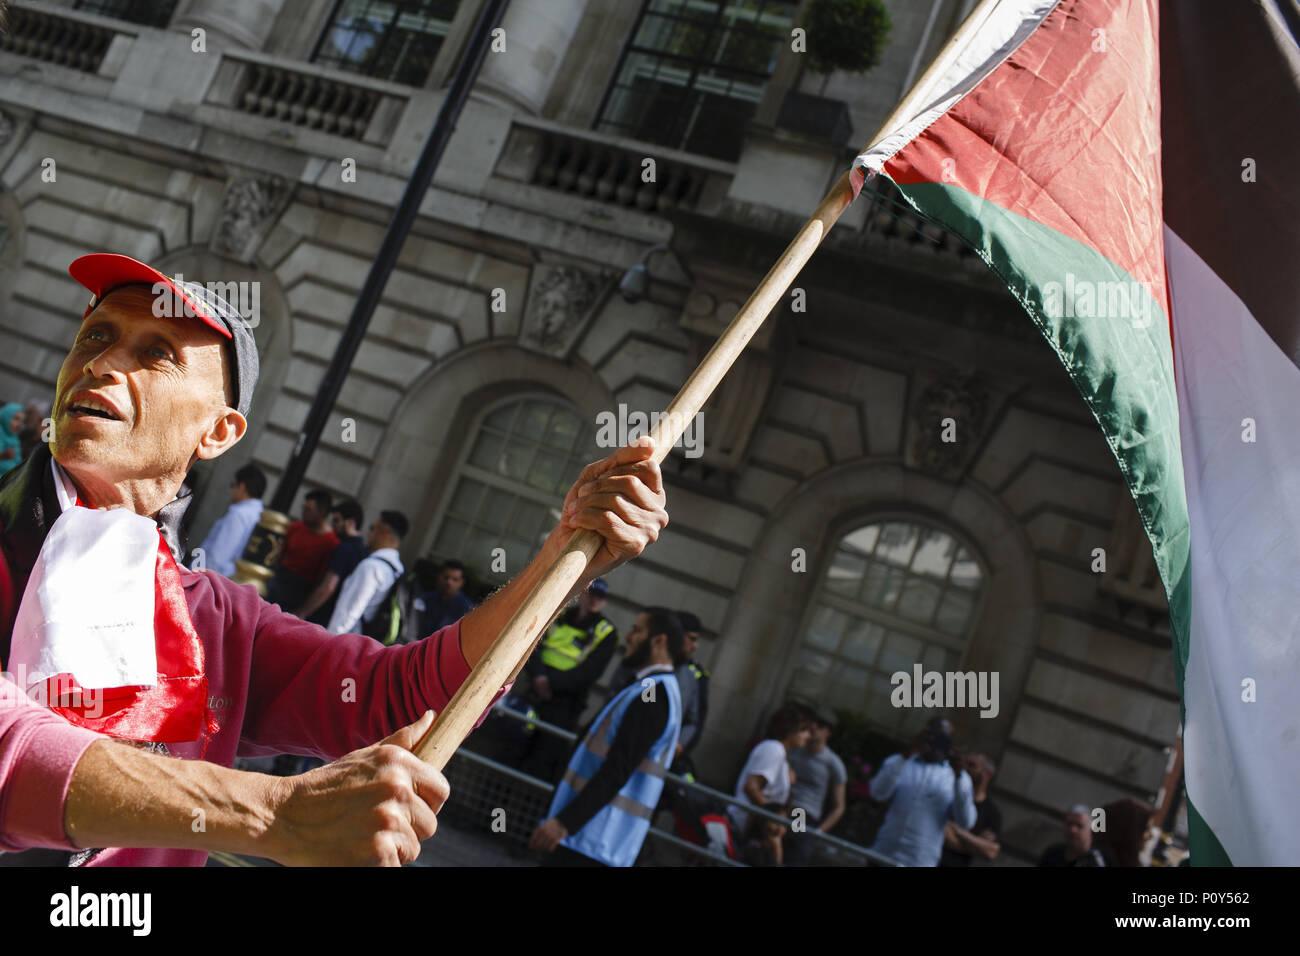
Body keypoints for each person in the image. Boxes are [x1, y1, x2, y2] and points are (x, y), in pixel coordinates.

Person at [0, 252, 669, 867]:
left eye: (157, 352)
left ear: (218, 432)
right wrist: (274, 812)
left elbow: (396, 697)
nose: (103, 363)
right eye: (96, 336)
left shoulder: (219, 622)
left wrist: (563, 560)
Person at [528, 607, 684, 867]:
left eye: (637, 630)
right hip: (592, 840)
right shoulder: (651, 688)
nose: (628, 637)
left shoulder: (654, 693)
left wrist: (565, 823)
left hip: (591, 842)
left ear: (659, 641)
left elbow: (617, 770)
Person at [518, 578, 619, 781]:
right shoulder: (560, 615)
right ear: (582, 593)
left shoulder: (606, 631)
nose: (595, 600)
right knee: (516, 743)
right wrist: (538, 677)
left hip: (565, 702)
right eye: (592, 594)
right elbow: (532, 645)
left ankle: (524, 803)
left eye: (601, 597)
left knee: (546, 755)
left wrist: (550, 684)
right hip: (534, 691)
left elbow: (591, 672)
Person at [868, 716, 977, 866]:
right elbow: (877, 794)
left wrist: (958, 777)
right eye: (930, 733)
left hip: (918, 862)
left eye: (941, 736)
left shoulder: (957, 778)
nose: (934, 740)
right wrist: (906, 754)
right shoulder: (901, 762)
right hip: (883, 855)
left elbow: (966, 822)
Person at [728, 704, 812, 866]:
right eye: (803, 730)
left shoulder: (781, 754)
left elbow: (785, 800)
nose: (808, 736)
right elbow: (751, 787)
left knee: (801, 836)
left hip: (765, 828)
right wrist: (773, 819)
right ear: (790, 730)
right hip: (753, 827)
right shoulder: (774, 749)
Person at [327, 510, 408, 636]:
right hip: (369, 645)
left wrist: (328, 642)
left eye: (373, 528)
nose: (369, 533)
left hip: (349, 642)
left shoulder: (371, 567)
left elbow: (348, 613)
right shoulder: (398, 569)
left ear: (384, 531)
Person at [784, 705, 847, 866]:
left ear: (829, 732)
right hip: (782, 805)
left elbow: (839, 806)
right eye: (813, 722)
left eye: (820, 725)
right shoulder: (796, 748)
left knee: (794, 852)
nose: (814, 727)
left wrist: (819, 832)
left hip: (804, 813)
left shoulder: (833, 763)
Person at [295, 499, 365, 625]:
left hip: (321, 615)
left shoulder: (344, 548)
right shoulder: (363, 551)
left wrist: (302, 612)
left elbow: (328, 587)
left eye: (337, 520)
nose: (333, 526)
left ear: (350, 522)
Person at [265, 489, 337, 612]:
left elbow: (321, 577)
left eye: (308, 509)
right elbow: (279, 554)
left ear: (322, 512)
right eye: (303, 507)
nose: (303, 512)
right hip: (279, 578)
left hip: (300, 590)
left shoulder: (331, 542)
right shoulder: (296, 527)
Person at [192, 463, 265, 577]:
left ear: (242, 487)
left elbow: (217, 557)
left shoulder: (238, 514)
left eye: (233, 485)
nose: (231, 490)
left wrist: (197, 578)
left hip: (208, 578)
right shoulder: (258, 514)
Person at [941, 753, 1002, 866]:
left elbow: (991, 851)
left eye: (972, 765)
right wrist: (976, 843)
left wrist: (956, 829)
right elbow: (943, 835)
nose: (965, 768)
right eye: (965, 764)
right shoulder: (948, 794)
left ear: (987, 774)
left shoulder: (992, 813)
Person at [1039, 804, 1108, 867]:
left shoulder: (1094, 862)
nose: (1073, 830)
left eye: (1079, 826)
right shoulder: (1052, 854)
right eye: (1069, 824)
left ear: (1091, 830)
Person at [417, 559, 475, 634]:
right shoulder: (426, 599)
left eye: (455, 579)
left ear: (461, 582)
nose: (449, 582)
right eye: (446, 577)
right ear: (438, 576)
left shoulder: (467, 610)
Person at [0, 403, 24, 477]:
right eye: (16, 419)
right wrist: (2, 456)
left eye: (22, 421)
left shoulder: (15, 440)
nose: (19, 424)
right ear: (6, 416)